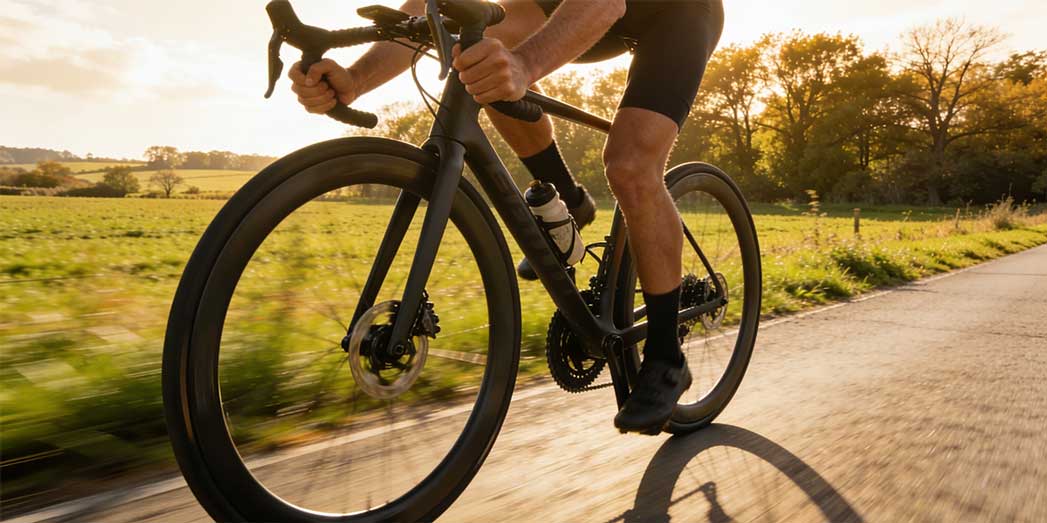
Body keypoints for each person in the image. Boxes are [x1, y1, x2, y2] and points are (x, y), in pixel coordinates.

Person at [289, 0, 724, 434]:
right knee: (481, 57)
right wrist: (354, 80)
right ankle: (566, 199)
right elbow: (429, 6)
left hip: (678, 13)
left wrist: (524, 65)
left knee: (630, 164)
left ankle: (666, 356)